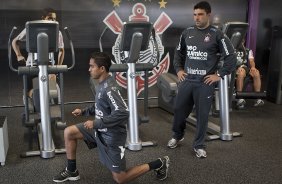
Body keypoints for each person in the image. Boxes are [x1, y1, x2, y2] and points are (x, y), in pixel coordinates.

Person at [53, 52, 170, 183]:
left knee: (120, 178)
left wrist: (96, 123)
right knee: (69, 132)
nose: (89, 69)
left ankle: (159, 163)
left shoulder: (110, 88)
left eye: (92, 66)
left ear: (102, 68)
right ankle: (72, 170)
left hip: (112, 137)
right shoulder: (100, 84)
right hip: (99, 130)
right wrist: (84, 111)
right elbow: (101, 105)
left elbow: (123, 112)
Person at [167, 1, 237, 158]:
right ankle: (177, 135)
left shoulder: (217, 34)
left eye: (200, 14)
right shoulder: (187, 32)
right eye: (194, 14)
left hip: (204, 82)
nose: (196, 18)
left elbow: (231, 57)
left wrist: (219, 75)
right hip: (187, 80)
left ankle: (199, 145)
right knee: (178, 110)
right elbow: (178, 54)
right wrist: (178, 70)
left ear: (208, 15)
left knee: (202, 115)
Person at [12, 8, 64, 100]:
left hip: (49, 65)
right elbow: (14, 41)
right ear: (43, 18)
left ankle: (54, 108)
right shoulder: (31, 29)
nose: (53, 21)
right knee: (29, 92)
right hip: (31, 65)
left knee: (54, 91)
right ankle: (29, 109)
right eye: (50, 18)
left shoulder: (57, 32)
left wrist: (57, 69)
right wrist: (18, 55)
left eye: (54, 19)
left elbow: (61, 51)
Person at [236, 40, 264, 109]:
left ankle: (257, 98)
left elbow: (251, 61)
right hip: (234, 68)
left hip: (244, 68)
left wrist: (253, 67)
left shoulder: (248, 50)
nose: (241, 42)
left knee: (256, 72)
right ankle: (240, 98)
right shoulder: (231, 49)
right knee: (241, 72)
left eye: (242, 41)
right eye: (240, 41)